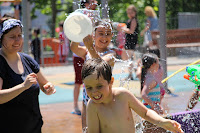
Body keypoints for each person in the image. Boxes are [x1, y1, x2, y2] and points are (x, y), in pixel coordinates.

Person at [82, 58, 183, 133]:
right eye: (89, 88)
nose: (94, 92)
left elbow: (146, 113)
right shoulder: (93, 106)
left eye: (99, 86)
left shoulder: (123, 95)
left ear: (111, 82)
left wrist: (162, 122)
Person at [0, 18, 56, 133]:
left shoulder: (27, 59)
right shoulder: (1, 62)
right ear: (1, 38)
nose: (17, 40)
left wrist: (48, 88)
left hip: (34, 127)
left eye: (19, 35)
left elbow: (44, 83)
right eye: (12, 37)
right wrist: (23, 86)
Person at [70, 20, 116, 131]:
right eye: (101, 33)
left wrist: (90, 47)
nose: (104, 37)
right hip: (87, 98)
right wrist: (80, 31)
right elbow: (73, 47)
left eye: (108, 33)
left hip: (104, 98)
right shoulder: (86, 51)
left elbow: (101, 65)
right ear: (93, 35)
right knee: (86, 129)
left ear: (112, 36)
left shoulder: (111, 54)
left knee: (104, 128)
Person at [70, 0, 98, 116]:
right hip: (80, 53)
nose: (95, 2)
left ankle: (93, 104)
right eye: (92, 1)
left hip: (91, 52)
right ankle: (76, 105)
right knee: (78, 81)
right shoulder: (80, 15)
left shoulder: (96, 15)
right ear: (86, 4)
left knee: (95, 79)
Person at [120, 5, 139, 80]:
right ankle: (134, 71)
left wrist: (123, 28)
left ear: (135, 12)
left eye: (131, 12)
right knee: (126, 57)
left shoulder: (134, 20)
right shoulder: (130, 20)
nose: (130, 14)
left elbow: (131, 31)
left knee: (128, 58)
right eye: (128, 12)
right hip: (129, 41)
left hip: (132, 41)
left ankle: (132, 74)